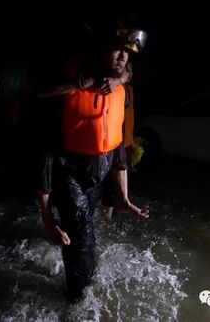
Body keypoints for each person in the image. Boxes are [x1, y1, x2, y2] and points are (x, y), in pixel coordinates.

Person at [33, 30, 150, 302]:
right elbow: (44, 157)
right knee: (83, 240)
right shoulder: (68, 88)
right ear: (100, 51)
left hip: (97, 175)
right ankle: (77, 300)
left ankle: (81, 281)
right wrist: (46, 217)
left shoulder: (121, 88)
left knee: (85, 232)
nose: (122, 58)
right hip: (67, 172)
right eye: (116, 50)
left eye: (127, 54)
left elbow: (117, 147)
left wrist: (124, 196)